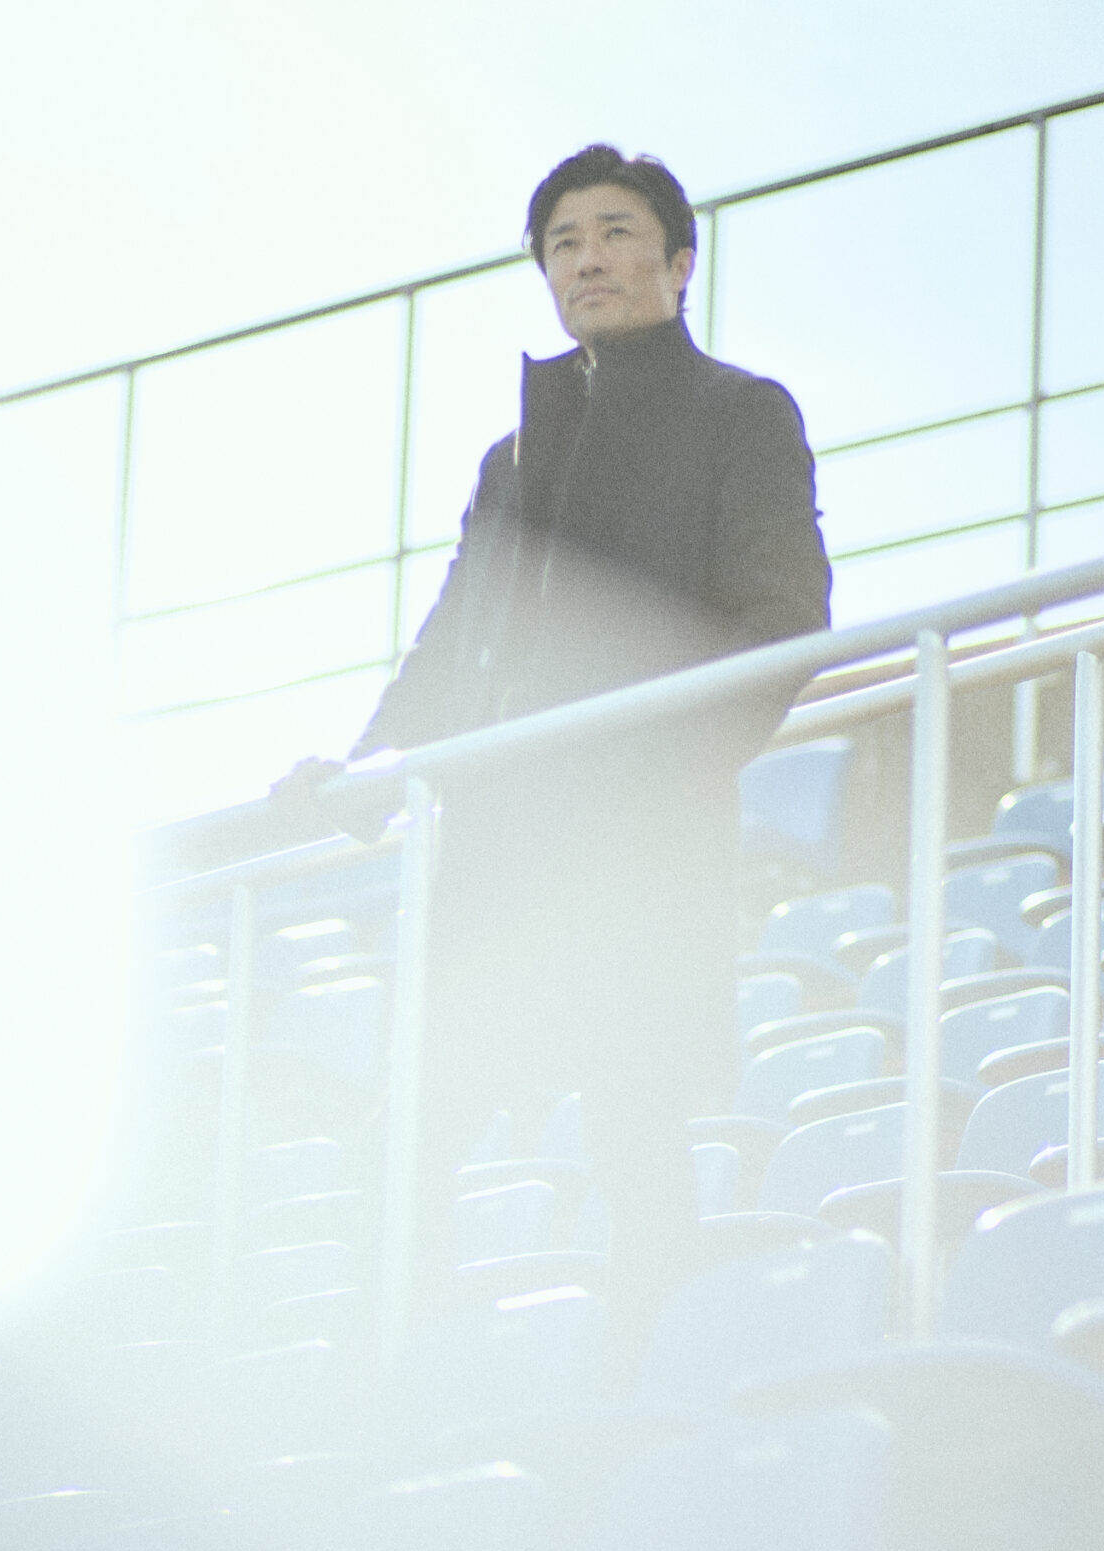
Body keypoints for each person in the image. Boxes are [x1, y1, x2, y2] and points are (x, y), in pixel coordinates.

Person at [275, 144, 832, 1324]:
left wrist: (647, 761)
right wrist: (370, 763)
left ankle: (662, 1403)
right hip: (499, 855)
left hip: (636, 849)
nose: (588, 258)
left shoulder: (740, 412)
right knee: (406, 1140)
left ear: (680, 265)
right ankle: (416, 1403)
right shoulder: (511, 459)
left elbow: (782, 622)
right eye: (564, 241)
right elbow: (449, 638)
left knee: (632, 1134)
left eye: (618, 232)